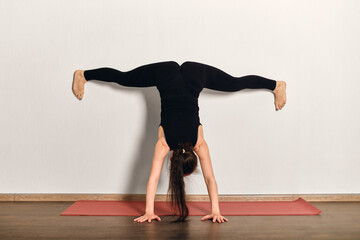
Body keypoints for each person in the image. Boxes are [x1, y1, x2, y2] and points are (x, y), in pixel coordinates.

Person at [72, 61, 287, 223]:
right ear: (173, 160)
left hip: (191, 75)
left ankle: (277, 85)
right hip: (168, 75)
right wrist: (149, 211)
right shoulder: (164, 144)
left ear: (191, 156)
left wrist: (216, 209)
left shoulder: (197, 142)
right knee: (124, 78)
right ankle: (83, 75)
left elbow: (210, 178)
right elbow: (154, 178)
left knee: (235, 83)